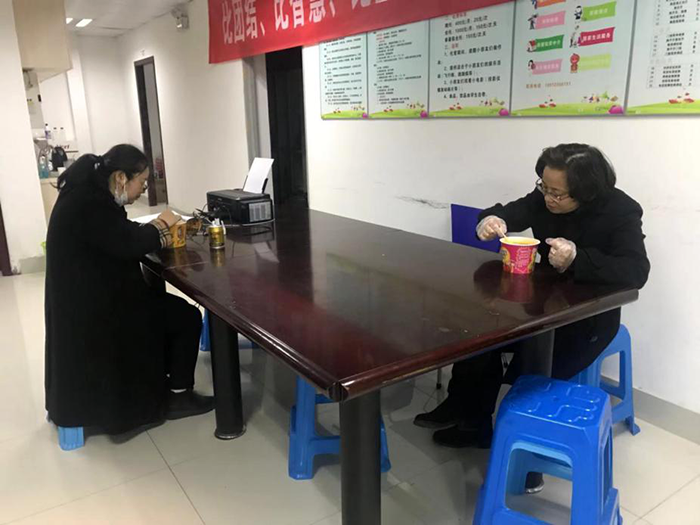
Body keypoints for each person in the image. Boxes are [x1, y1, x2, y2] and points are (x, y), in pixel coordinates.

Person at [414, 144, 650, 456]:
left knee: (523, 360)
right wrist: (490, 220)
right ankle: (465, 411)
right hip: (540, 304)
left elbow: (636, 271)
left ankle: (517, 439)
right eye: (544, 187)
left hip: (586, 319)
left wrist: (578, 258)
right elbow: (507, 212)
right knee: (479, 330)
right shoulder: (544, 198)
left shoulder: (621, 211)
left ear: (587, 191)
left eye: (558, 194)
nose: (548, 198)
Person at [45, 144, 214, 436]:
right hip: (96, 312)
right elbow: (129, 243)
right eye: (142, 182)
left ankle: (162, 381)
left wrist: (152, 231)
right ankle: (179, 396)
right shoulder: (91, 204)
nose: (142, 190)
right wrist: (161, 226)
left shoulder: (86, 193)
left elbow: (119, 234)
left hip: (84, 301)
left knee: (161, 306)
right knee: (185, 316)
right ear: (122, 177)